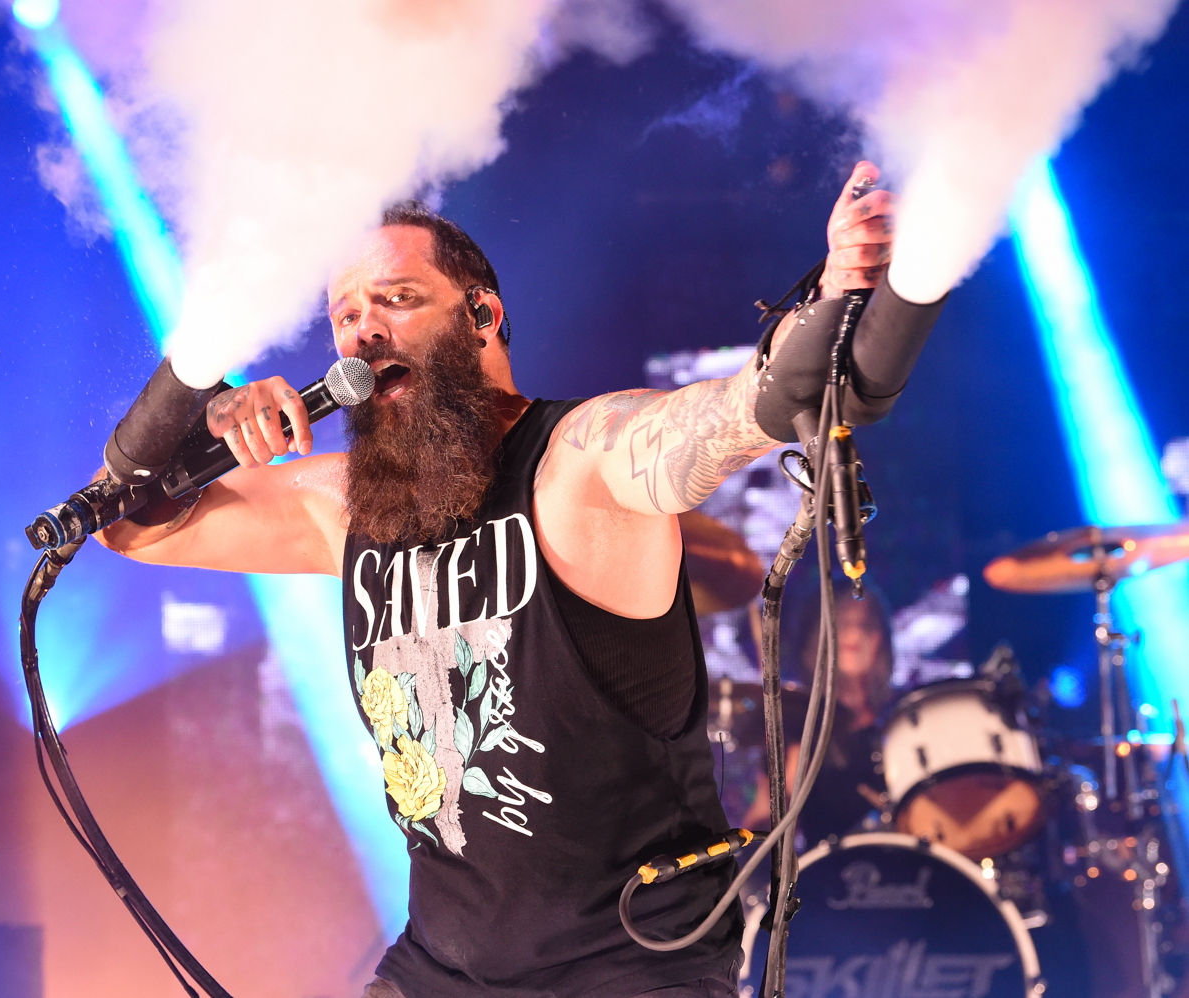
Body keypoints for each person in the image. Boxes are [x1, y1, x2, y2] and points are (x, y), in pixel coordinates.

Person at [97, 162, 897, 998]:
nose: (362, 331)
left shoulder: (578, 461)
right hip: (443, 970)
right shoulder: (341, 506)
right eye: (344, 315)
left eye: (398, 299)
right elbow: (128, 525)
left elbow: (731, 414)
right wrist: (196, 412)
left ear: (482, 314)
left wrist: (835, 294)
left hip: (628, 971)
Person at [740, 582, 895, 845]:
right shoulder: (797, 728)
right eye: (842, 622)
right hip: (825, 879)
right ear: (816, 638)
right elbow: (760, 830)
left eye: (866, 624)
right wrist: (783, 795)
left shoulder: (902, 720)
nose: (855, 634)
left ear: (882, 639)